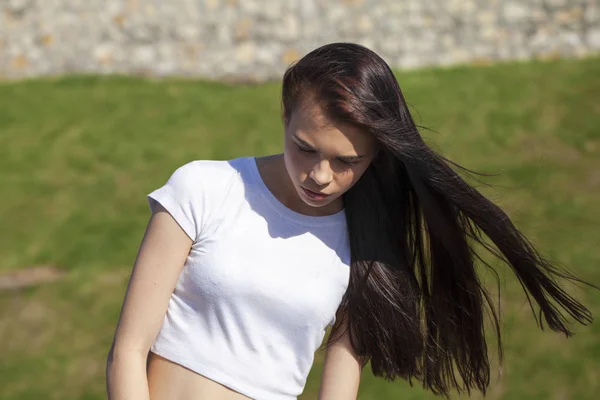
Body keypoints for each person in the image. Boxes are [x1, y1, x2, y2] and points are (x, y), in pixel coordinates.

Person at [106, 42, 596, 400]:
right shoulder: (205, 188)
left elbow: (340, 379)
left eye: (348, 162)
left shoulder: (366, 244)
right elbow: (129, 350)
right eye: (305, 148)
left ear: (375, 155)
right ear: (285, 115)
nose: (320, 175)